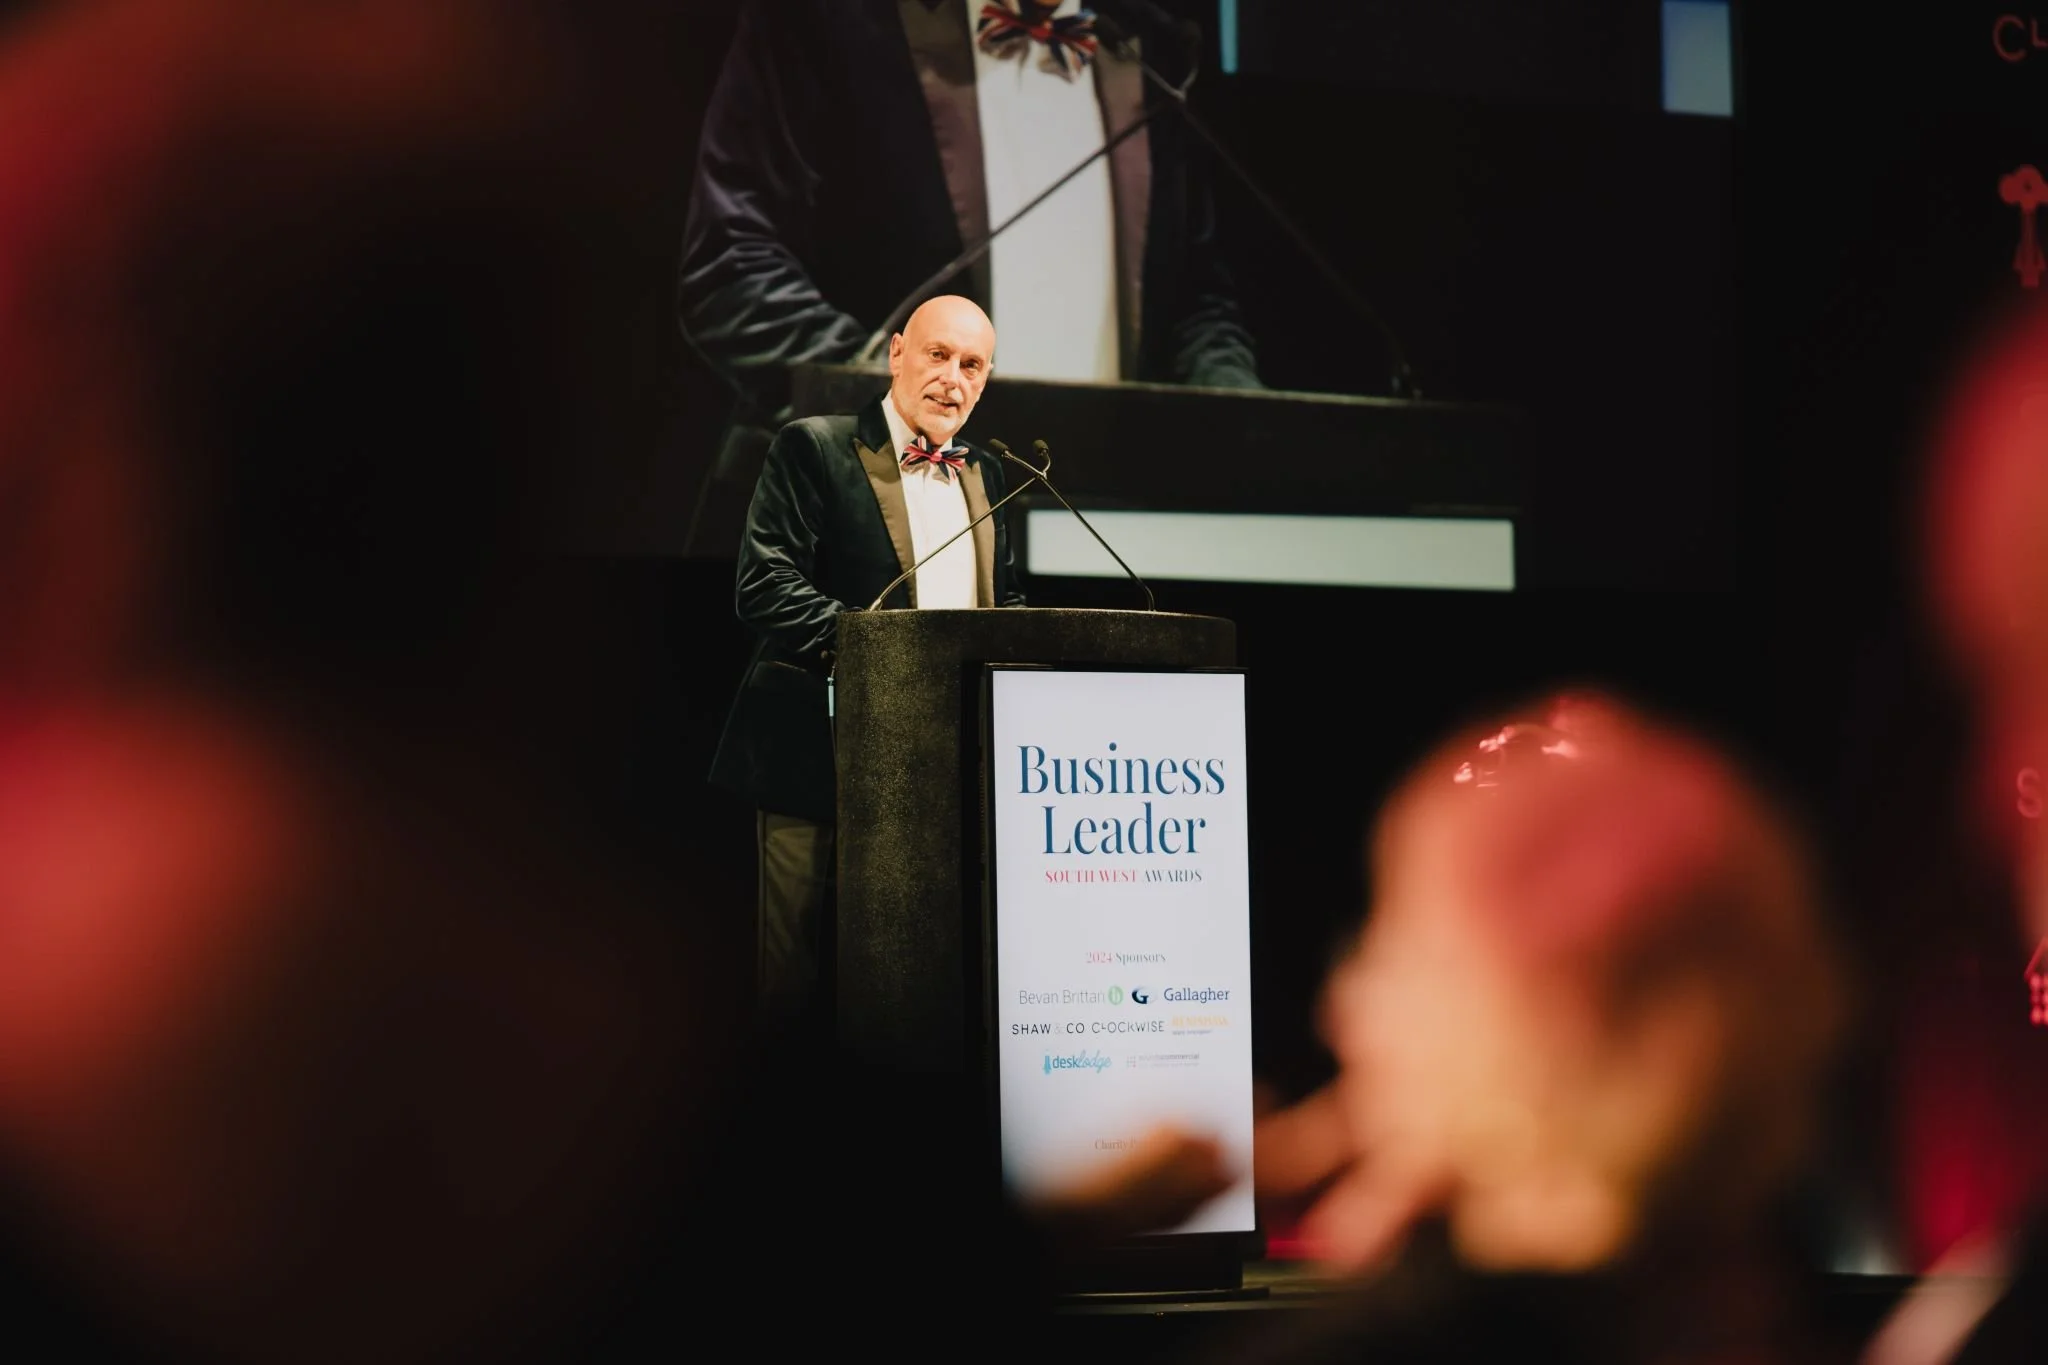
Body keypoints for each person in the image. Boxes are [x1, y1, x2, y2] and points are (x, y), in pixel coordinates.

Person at [1241, 692, 1851, 1365]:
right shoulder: (1777, 1316)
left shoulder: (1401, 1344)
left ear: (1547, 1024)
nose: (1345, 1006)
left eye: (1393, 945)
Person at [677, 0, 1261, 521]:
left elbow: (1195, 298)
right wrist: (906, 417)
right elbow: (732, 265)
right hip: (851, 524)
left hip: (1103, 529)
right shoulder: (826, 19)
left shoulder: (1148, 45)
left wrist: (1244, 425)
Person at [709, 292, 1026, 1026]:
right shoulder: (815, 446)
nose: (953, 378)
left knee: (907, 980)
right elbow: (764, 584)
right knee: (794, 975)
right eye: (938, 355)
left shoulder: (989, 474)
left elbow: (1000, 602)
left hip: (936, 771)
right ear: (896, 353)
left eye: (973, 365)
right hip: (814, 757)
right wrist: (878, 654)